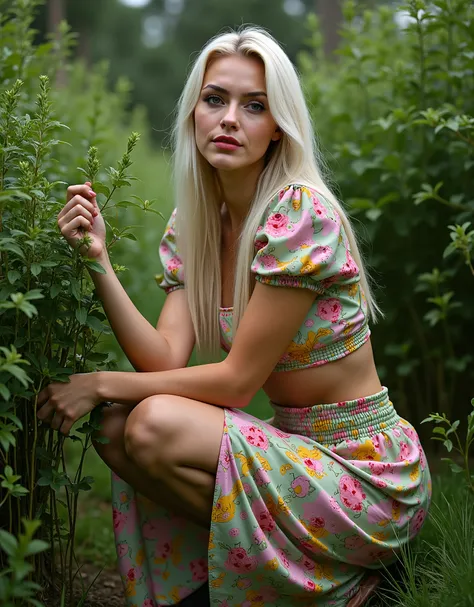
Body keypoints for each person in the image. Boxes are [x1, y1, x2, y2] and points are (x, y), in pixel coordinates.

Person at [38, 27, 431, 607]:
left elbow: (236, 384)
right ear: (193, 111)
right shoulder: (199, 224)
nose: (229, 119)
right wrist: (99, 261)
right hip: (297, 463)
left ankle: (346, 581)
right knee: (118, 428)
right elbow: (164, 358)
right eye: (215, 99)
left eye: (255, 106)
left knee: (149, 422)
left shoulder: (298, 213)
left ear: (278, 128)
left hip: (363, 474)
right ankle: (257, 579)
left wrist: (98, 383)